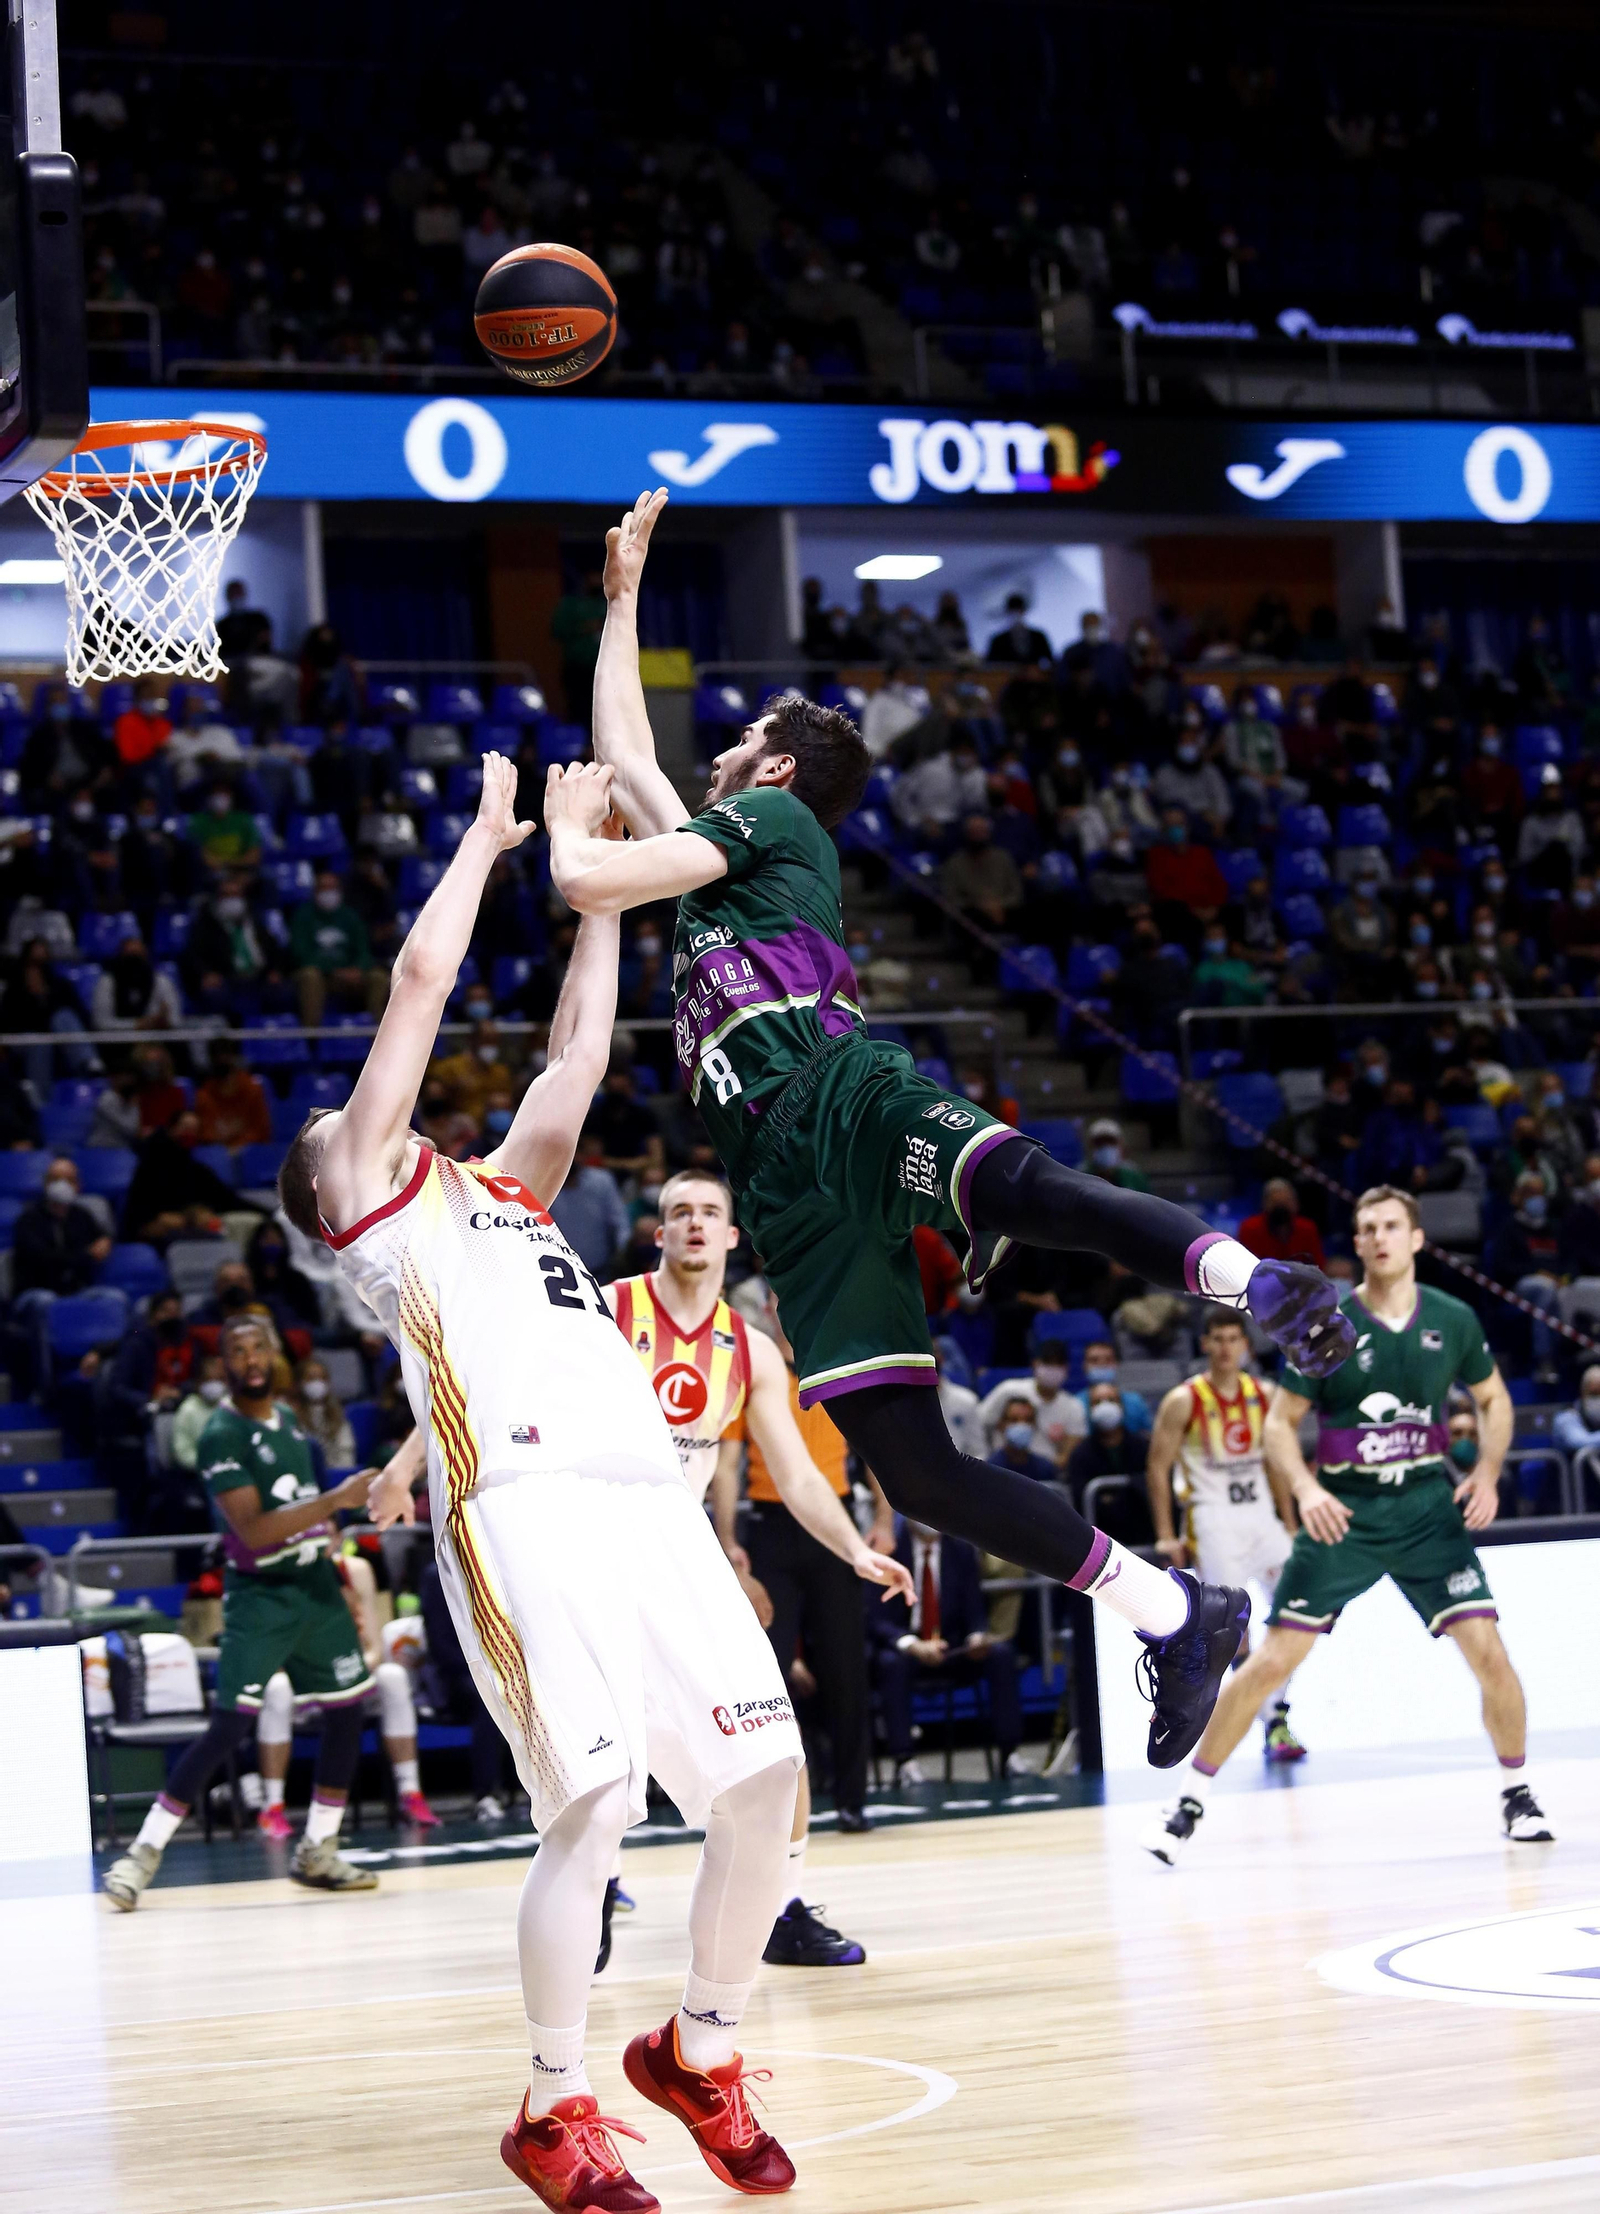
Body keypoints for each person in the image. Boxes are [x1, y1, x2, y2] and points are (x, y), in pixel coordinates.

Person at [566, 488, 1357, 1777]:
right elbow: (630, 753)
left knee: (1025, 1187)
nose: (713, 754)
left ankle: (1253, 1278)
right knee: (919, 1477)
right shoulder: (728, 847)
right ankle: (1177, 1613)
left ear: (773, 770)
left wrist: (552, 833)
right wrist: (620, 601)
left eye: (742, 740)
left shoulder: (772, 819)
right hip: (787, 1190)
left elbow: (589, 869)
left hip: (836, 1095)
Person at [273, 755, 806, 2206]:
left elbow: (574, 1058)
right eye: (337, 1119)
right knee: (594, 1805)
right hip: (519, 1507)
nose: (356, 1107)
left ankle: (699, 2049)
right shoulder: (376, 1202)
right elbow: (420, 978)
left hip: (647, 1498)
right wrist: (489, 838)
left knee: (768, 1781)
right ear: (327, 1195)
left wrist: (595, 872)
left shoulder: (502, 1188)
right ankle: (552, 2102)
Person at [1142, 1187, 1553, 1865]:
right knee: (1270, 1662)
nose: (1381, 1237)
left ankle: (1518, 1794)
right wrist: (1304, 1488)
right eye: (1368, 1228)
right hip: (1344, 1517)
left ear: (1417, 1238)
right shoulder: (1325, 1322)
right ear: (1357, 1243)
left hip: (1426, 1510)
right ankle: (1186, 1805)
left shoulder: (1452, 1319)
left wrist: (1486, 1471)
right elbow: (1279, 1425)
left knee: (1491, 1656)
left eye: (1393, 1226)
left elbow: (1493, 1399)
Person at [609, 1173, 908, 1967]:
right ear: (660, 1233)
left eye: (710, 1212)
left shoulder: (750, 1348)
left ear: (733, 1237)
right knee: (606, 1750)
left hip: (680, 1550)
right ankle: (597, 1882)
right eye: (680, 1212)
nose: (695, 1223)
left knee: (775, 1737)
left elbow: (802, 1474)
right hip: (596, 1549)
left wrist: (855, 1546)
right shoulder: (609, 1310)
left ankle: (782, 1908)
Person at [102, 1314, 381, 1908]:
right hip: (262, 1596)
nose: (250, 1359)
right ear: (222, 1364)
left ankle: (319, 1849)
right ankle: (141, 1855)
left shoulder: (291, 1424)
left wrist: (331, 1529)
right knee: (230, 1727)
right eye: (237, 1351)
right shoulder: (220, 1436)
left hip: (317, 1592)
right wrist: (334, 1500)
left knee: (347, 1711)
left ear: (275, 1353)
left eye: (259, 1347)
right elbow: (253, 1531)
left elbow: (305, 1510)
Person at [1145, 1309, 1304, 1764]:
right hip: (1213, 1520)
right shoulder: (1184, 1399)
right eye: (1217, 1339)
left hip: (1262, 1519)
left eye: (1233, 1338)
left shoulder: (1265, 1394)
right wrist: (1163, 1533)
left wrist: (1289, 1519)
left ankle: (1273, 1711)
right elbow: (1157, 1467)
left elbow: (1277, 1462)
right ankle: (1271, 1720)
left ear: (1245, 1346)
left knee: (1301, 1608)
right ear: (1205, 1345)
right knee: (1234, 1629)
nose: (1225, 1347)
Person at [869, 1520, 1024, 1782]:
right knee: (889, 1663)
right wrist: (912, 1644)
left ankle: (1010, 1754)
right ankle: (904, 1760)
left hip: (951, 1647)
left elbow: (975, 1611)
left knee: (1000, 1654)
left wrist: (976, 1636)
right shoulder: (890, 1550)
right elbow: (875, 1619)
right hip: (907, 1648)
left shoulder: (960, 1549)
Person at [289, 867, 386, 1027]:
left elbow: (363, 950)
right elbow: (301, 953)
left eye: (332, 888)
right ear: (315, 891)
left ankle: (378, 1034)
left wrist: (358, 969)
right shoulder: (303, 916)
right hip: (323, 976)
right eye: (323, 888)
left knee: (379, 977)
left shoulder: (350, 916)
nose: (328, 893)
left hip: (352, 975)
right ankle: (313, 1038)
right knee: (310, 976)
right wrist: (333, 970)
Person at [976, 1342, 1084, 1465]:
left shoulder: (1073, 1406)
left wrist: (1047, 1470)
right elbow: (978, 1423)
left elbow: (1069, 1454)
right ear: (1035, 1364)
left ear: (1067, 1368)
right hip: (1002, 1467)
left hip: (1046, 1474)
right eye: (1048, 1362)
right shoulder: (1008, 1390)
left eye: (1058, 1363)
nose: (1053, 1368)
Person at [1239, 1179, 1326, 1269]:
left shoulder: (1307, 1229)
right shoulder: (1250, 1228)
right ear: (1265, 1204)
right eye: (1276, 1203)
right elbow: (1246, 1268)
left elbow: (1318, 1266)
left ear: (1295, 1204)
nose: (1281, 1209)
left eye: (1285, 1203)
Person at [984, 591, 1053, 667]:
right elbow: (990, 666)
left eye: (1018, 611)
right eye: (1012, 611)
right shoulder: (998, 641)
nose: (1016, 615)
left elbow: (1051, 661)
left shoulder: (1038, 637)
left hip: (1035, 678)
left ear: (1024, 612)